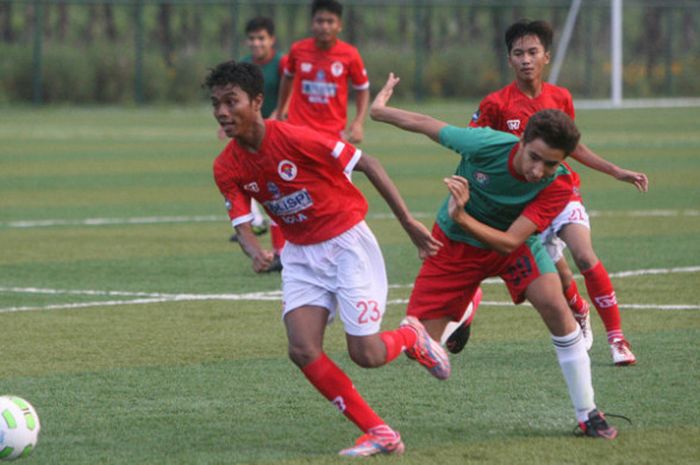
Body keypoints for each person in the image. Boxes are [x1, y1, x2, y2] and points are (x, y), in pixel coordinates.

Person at [207, 60, 450, 456]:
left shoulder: (296, 137)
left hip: (347, 244)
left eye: (231, 102)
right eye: (216, 104)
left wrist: (407, 222)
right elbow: (242, 222)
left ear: (256, 101)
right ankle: (380, 432)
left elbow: (367, 163)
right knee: (301, 348)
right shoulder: (226, 166)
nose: (221, 112)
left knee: (366, 355)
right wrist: (256, 252)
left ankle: (412, 335)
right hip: (302, 255)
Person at [371, 73, 621, 439]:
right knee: (420, 348)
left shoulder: (559, 183)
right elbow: (427, 124)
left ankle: (589, 413)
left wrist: (463, 215)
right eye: (534, 157)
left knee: (556, 307)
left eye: (550, 164)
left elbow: (509, 242)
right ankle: (468, 305)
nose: (538, 170)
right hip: (454, 246)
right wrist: (379, 111)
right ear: (520, 141)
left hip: (512, 246)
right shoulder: (485, 144)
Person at [449, 19, 648, 365]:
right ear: (509, 60)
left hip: (560, 191)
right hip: (522, 200)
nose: (526, 59)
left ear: (546, 57)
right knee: (560, 274)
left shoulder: (560, 98)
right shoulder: (496, 104)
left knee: (584, 256)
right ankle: (578, 310)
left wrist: (616, 170)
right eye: (518, 53)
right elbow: (473, 148)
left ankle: (618, 339)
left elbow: (573, 148)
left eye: (532, 52)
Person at [224, 16, 288, 270]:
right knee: (247, 178)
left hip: (280, 131)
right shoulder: (245, 65)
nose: (256, 43)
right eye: (252, 38)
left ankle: (281, 251)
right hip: (252, 133)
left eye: (261, 38)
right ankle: (259, 227)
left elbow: (292, 89)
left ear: (272, 40)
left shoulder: (282, 63)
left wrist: (279, 113)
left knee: (277, 189)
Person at [274, 0, 369, 144]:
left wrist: (358, 122)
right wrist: (281, 109)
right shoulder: (298, 49)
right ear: (312, 24)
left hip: (333, 132)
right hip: (298, 128)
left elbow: (362, 89)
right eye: (320, 21)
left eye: (330, 21)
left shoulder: (350, 54)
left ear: (340, 25)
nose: (325, 27)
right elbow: (287, 77)